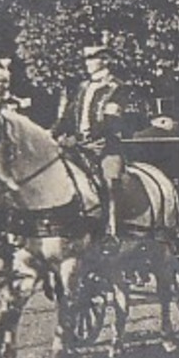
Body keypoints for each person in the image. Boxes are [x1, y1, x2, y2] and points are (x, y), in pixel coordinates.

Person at [54, 41, 129, 248]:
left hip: (105, 147)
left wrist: (81, 140)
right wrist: (50, 134)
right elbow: (68, 118)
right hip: (78, 147)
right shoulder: (82, 87)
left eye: (92, 57)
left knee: (110, 180)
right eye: (86, 58)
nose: (87, 63)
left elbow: (111, 121)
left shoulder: (117, 88)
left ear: (105, 60)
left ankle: (111, 231)